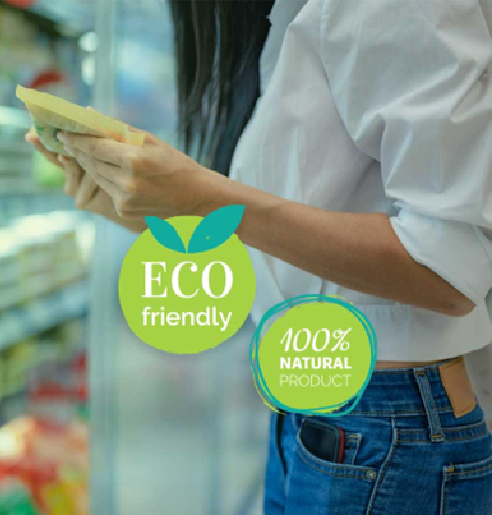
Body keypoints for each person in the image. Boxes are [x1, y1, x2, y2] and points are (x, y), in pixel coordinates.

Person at [27, 0, 492, 513]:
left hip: (384, 428)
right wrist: (155, 210)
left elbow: (448, 271)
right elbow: (295, 249)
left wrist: (204, 198)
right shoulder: (290, 19)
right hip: (322, 420)